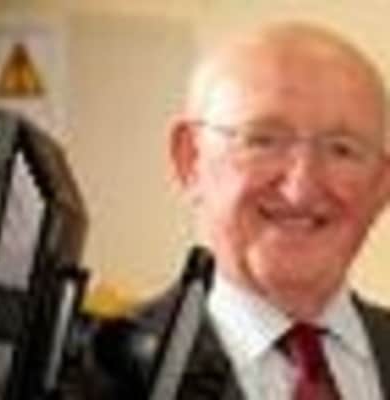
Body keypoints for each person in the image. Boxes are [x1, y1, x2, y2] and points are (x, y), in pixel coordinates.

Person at [76, 21, 390, 400]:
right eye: (264, 141)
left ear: (382, 183)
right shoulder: (91, 378)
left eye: (342, 149)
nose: (301, 188)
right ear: (191, 159)